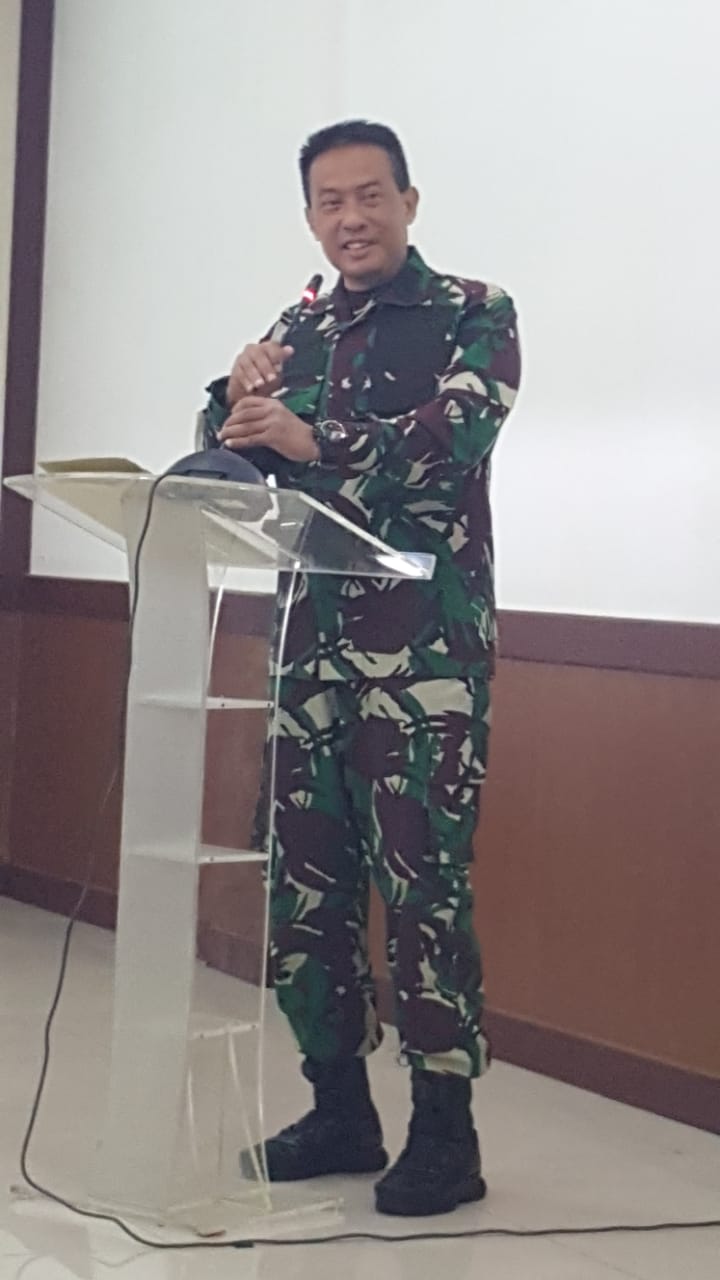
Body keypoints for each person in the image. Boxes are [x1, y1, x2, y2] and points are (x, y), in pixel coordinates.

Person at [201, 120, 521, 1217]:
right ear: (310, 217)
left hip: (424, 655)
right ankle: (338, 1105)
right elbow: (234, 449)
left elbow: (452, 442)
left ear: (408, 202)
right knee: (307, 883)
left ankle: (445, 1131)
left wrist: (314, 442)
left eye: (370, 195)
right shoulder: (299, 327)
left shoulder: (474, 312)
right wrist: (232, 394)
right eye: (330, 202)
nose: (352, 218)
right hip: (309, 650)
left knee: (423, 884)